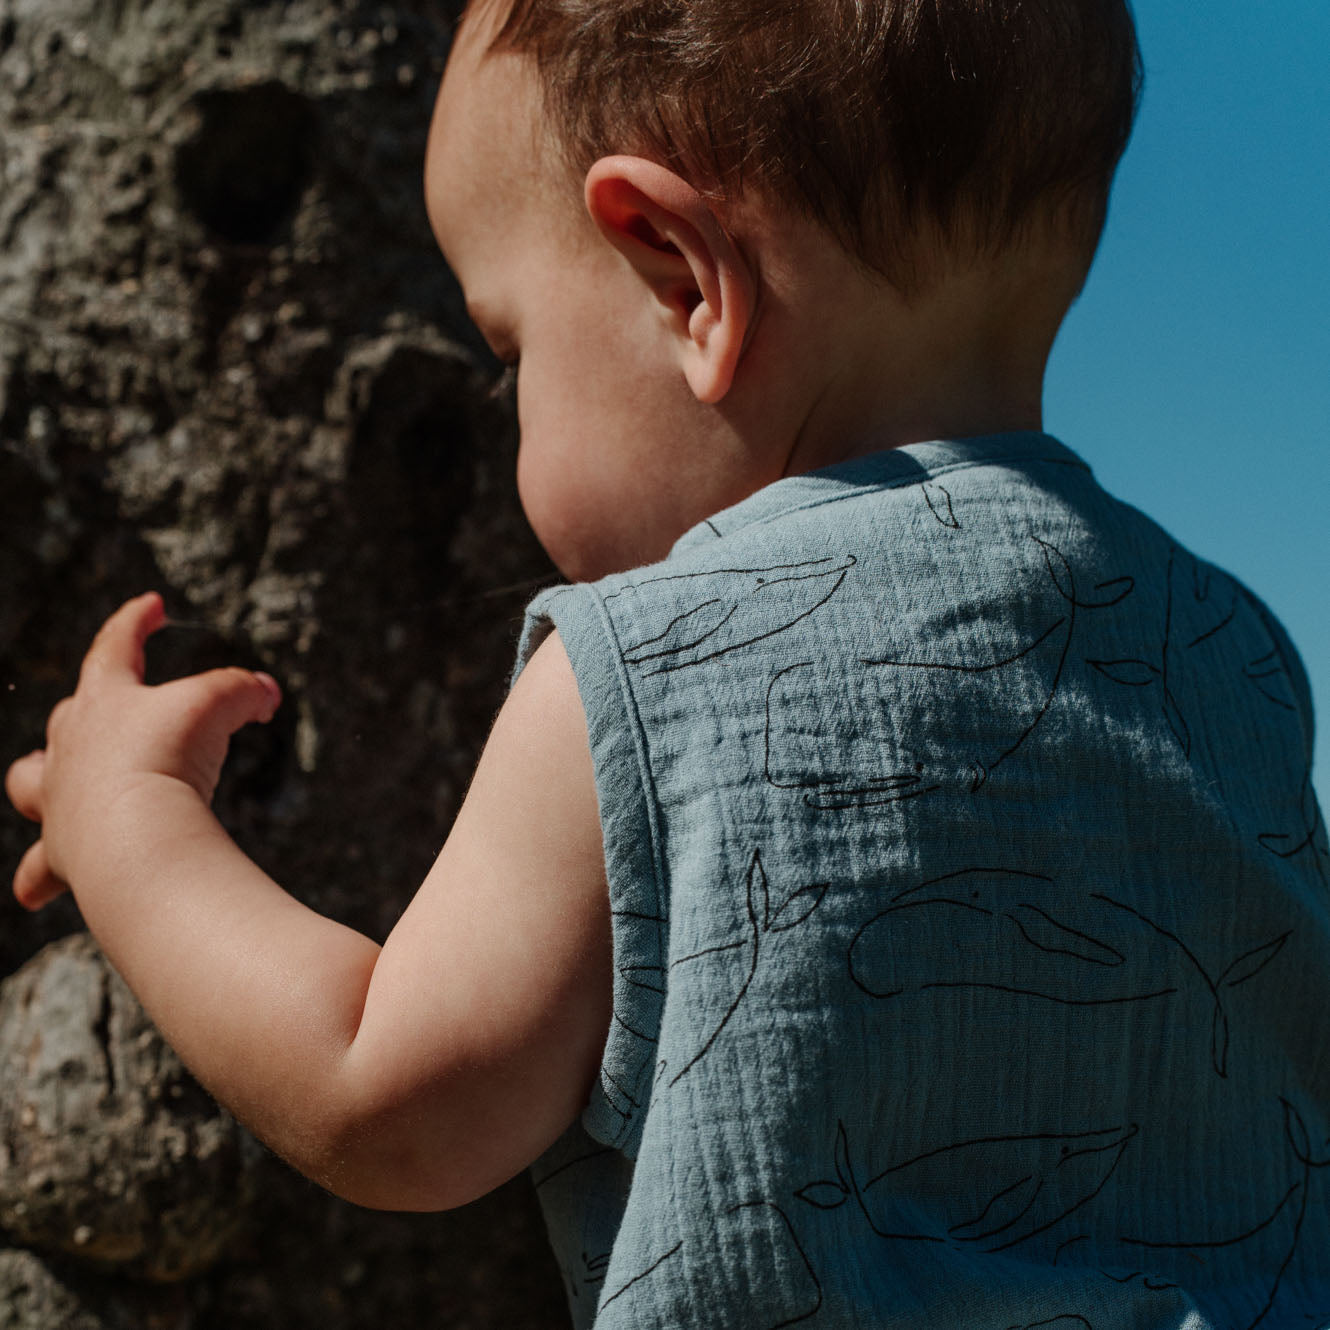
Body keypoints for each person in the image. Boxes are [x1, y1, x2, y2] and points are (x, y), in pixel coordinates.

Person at [6, 0, 1328, 1324]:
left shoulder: (654, 669)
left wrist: (128, 819)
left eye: (509, 353)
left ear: (684, 281)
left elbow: (385, 1100)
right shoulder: (1230, 658)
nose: (506, 407)